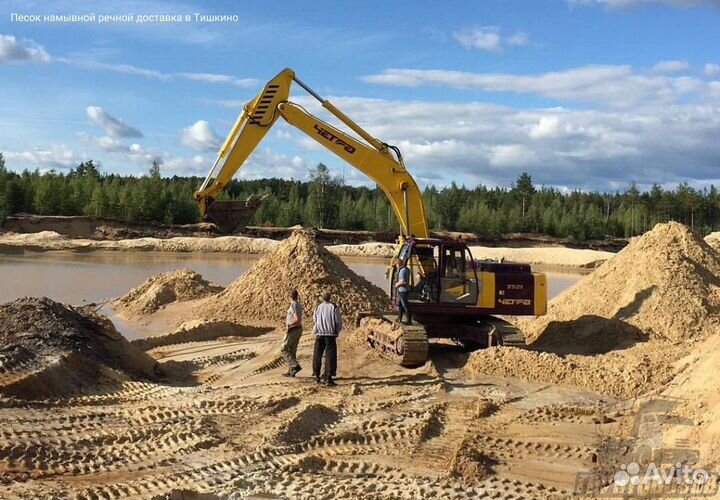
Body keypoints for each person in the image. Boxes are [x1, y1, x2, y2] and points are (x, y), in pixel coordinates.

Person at [312, 291, 342, 386]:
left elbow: (315, 319)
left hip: (319, 334)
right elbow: (338, 321)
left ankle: (316, 375)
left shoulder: (318, 307)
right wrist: (337, 331)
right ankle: (328, 377)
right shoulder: (334, 307)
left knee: (317, 354)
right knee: (330, 356)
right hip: (330, 334)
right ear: (330, 298)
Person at [281, 289, 303, 377]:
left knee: (284, 349)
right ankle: (291, 371)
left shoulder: (293, 305)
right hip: (298, 329)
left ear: (290, 296)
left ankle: (294, 365)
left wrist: (289, 325)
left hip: (293, 329)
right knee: (292, 350)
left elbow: (297, 318)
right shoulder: (298, 305)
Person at [395, 260, 412, 325]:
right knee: (400, 305)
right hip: (403, 290)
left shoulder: (402, 271)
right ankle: (399, 318)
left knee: (405, 305)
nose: (396, 267)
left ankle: (409, 321)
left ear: (398, 264)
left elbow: (403, 281)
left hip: (403, 291)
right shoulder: (406, 269)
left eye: (396, 265)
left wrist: (397, 285)